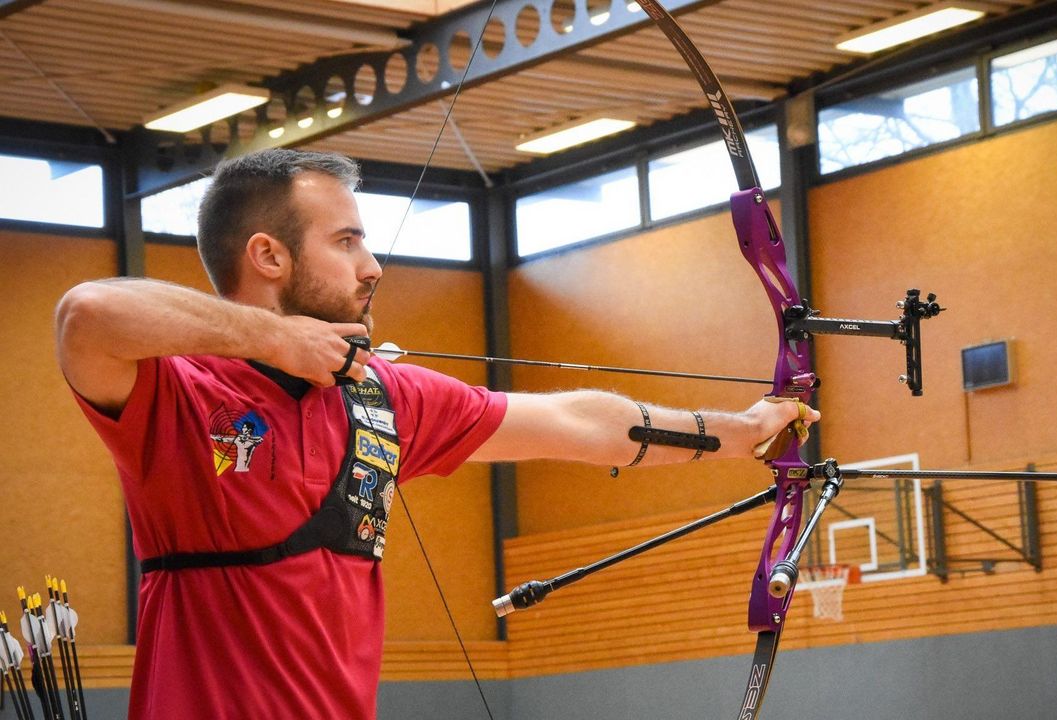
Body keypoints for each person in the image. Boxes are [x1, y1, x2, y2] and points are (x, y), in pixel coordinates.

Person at [54, 149, 817, 719]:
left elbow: (572, 422)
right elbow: (86, 315)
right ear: (268, 256)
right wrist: (275, 341)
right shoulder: (183, 396)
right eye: (347, 241)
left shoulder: (381, 399)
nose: (374, 265)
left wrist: (739, 430)